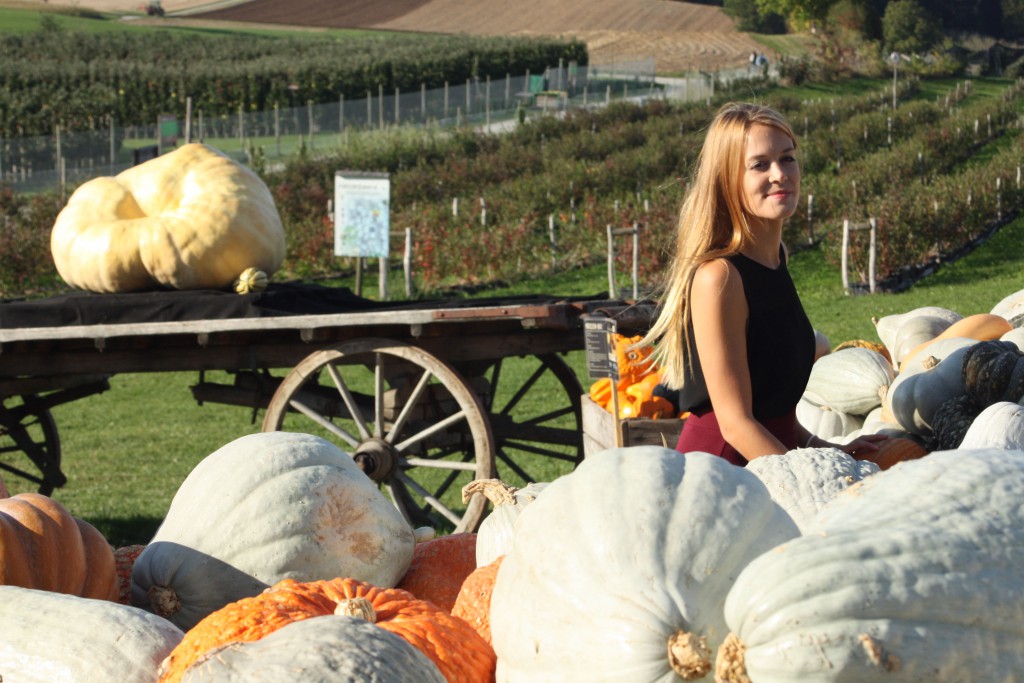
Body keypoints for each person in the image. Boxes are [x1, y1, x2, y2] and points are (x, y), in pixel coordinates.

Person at [639, 102, 886, 466]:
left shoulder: (777, 257)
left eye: (787, 159)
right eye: (759, 165)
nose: (780, 174)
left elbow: (774, 413)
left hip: (771, 463)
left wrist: (829, 448)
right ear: (728, 180)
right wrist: (807, 481)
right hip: (724, 474)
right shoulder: (719, 278)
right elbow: (736, 425)